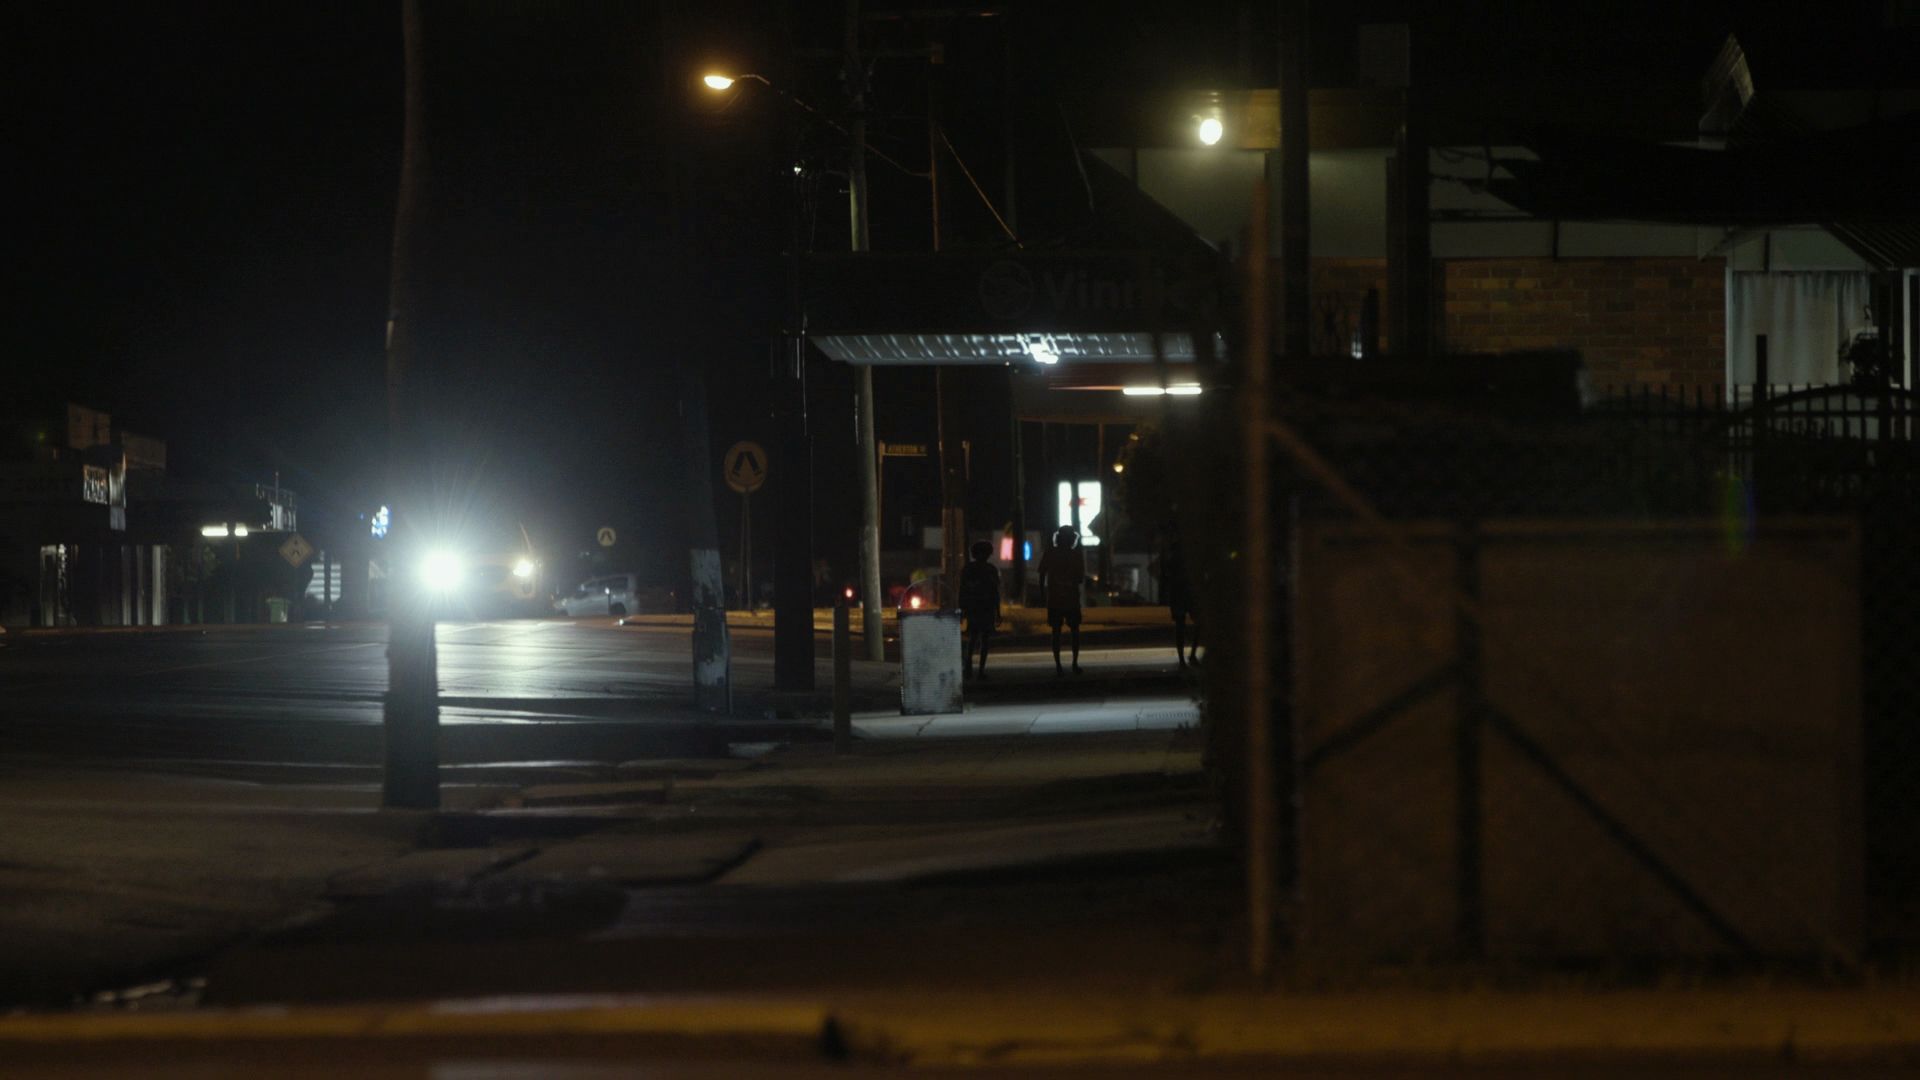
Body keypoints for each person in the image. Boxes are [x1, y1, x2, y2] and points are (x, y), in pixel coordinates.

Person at [1036, 525, 1085, 676]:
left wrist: (1043, 593)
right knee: (1075, 632)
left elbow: (1042, 574)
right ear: (1072, 539)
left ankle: (1058, 665)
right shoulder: (1076, 555)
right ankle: (1074, 663)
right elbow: (1080, 579)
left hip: (1055, 599)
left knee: (1056, 633)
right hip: (1071, 599)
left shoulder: (1050, 553)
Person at [958, 540, 1001, 680]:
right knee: (984, 640)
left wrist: (962, 608)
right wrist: (998, 612)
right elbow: (995, 592)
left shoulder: (968, 569)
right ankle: (980, 670)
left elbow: (963, 590)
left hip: (974, 607)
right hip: (986, 607)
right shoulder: (991, 570)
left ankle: (968, 667)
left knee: (973, 637)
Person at [1158, 534, 1200, 669]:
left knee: (1181, 628)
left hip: (1179, 595)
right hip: (1186, 594)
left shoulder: (1172, 559)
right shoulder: (1186, 559)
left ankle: (1183, 659)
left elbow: (1164, 577)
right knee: (1195, 624)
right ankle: (1189, 657)